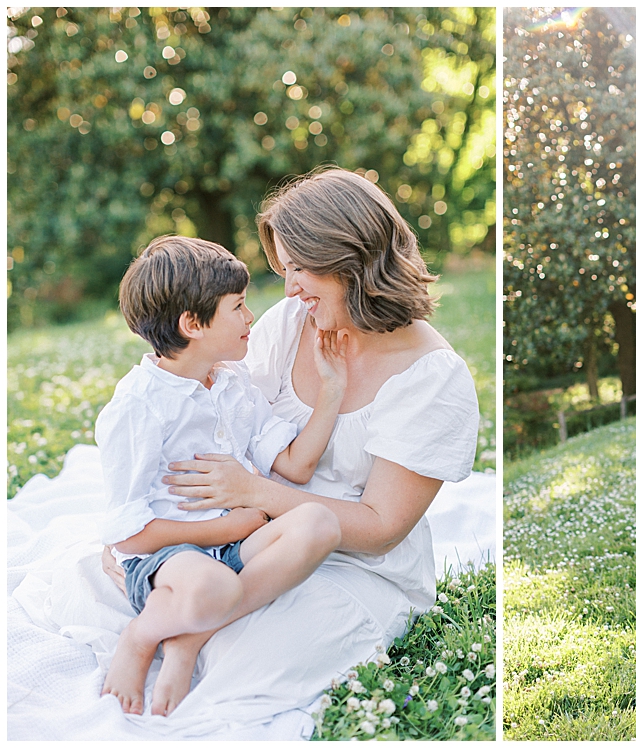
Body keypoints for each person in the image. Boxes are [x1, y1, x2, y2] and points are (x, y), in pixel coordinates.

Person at [100, 167, 480, 728]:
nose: (290, 287)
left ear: (351, 259)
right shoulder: (291, 322)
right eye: (285, 269)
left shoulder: (433, 377)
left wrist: (255, 493)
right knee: (98, 580)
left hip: (355, 565)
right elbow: (225, 421)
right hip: (249, 537)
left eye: (301, 268)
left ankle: (187, 630)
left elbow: (381, 529)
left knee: (244, 663)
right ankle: (182, 613)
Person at [96, 235, 348, 716]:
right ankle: (141, 635)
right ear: (192, 324)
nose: (251, 317)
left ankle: (189, 640)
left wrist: (332, 390)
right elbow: (128, 536)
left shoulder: (234, 384)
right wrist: (230, 526)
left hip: (230, 548)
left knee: (320, 523)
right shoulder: (138, 405)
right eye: (238, 307)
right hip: (172, 557)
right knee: (214, 586)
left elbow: (295, 465)